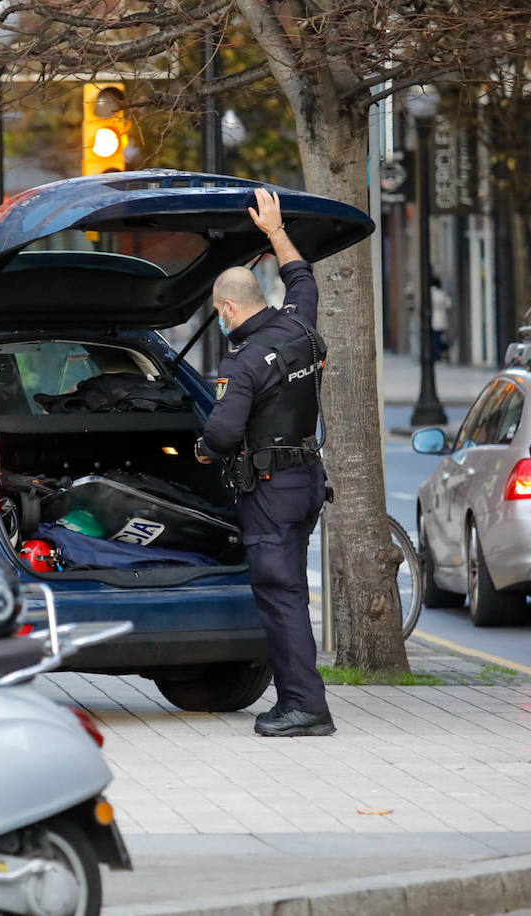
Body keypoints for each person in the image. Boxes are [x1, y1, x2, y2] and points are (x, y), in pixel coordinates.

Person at [193, 187, 334, 739]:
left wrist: (203, 450)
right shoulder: (299, 325)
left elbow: (224, 431)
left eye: (217, 312)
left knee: (282, 599)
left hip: (272, 493)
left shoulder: (247, 360)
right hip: (305, 482)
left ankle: (304, 706)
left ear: (228, 309)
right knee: (293, 591)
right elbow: (303, 278)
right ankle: (302, 699)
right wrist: (275, 231)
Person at [429, 273, 452, 361]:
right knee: (438, 338)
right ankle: (439, 355)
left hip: (432, 319)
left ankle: (436, 355)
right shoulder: (442, 293)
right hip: (441, 318)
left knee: (434, 339)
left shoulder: (429, 293)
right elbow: (449, 304)